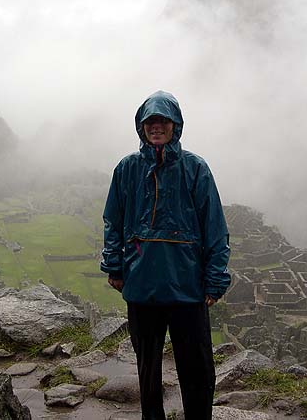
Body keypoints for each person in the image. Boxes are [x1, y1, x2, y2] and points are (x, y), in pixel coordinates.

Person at [100, 90, 231, 420]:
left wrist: (214, 281)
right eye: (150, 122)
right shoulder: (127, 169)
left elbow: (214, 228)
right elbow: (113, 222)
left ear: (176, 126)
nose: (156, 127)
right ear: (141, 127)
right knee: (148, 369)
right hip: (142, 286)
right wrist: (114, 267)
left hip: (186, 288)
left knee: (197, 369)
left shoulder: (195, 169)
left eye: (163, 121)